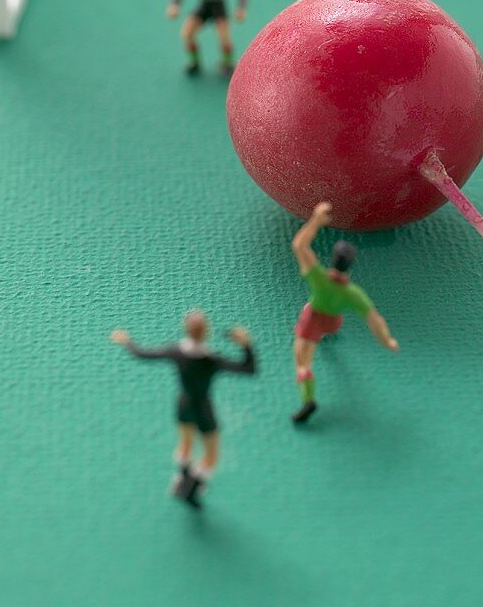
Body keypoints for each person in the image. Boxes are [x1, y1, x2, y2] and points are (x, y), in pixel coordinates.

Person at [110, 311, 256, 508]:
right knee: (211, 455)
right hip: (203, 408)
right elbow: (248, 369)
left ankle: (182, 478)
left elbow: (143, 354)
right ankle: (192, 486)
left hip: (184, 403)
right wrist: (246, 344)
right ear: (207, 331)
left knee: (185, 443)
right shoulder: (211, 359)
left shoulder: (177, 352)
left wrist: (127, 341)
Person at [290, 201, 399, 423]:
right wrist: (386, 340)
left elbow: (300, 246)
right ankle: (326, 335)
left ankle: (308, 400)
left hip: (315, 319)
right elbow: (373, 319)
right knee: (325, 325)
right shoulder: (353, 293)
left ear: (333, 260)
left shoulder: (319, 279)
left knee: (302, 361)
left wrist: (316, 220)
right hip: (333, 323)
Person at [166, 0, 248, 76]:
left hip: (219, 7)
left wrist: (241, 9)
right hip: (204, 7)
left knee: (224, 37)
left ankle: (227, 63)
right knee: (187, 33)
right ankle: (194, 62)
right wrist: (174, 5)